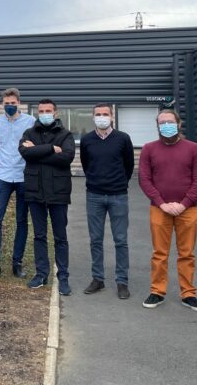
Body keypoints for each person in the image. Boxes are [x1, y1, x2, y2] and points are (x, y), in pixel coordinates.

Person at [139, 109, 197, 312]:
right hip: (159, 209)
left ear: (178, 124)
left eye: (170, 121)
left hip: (188, 210)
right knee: (159, 253)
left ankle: (188, 293)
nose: (166, 125)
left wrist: (184, 203)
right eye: (162, 122)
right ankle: (157, 291)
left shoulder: (194, 149)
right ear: (158, 126)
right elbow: (144, 179)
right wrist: (161, 203)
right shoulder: (149, 149)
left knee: (187, 253)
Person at [19, 99, 75, 296]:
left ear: (55, 112)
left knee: (60, 237)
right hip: (35, 192)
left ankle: (63, 277)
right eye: (41, 111)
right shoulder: (29, 133)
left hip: (58, 193)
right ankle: (41, 274)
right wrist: (52, 148)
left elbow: (67, 157)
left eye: (48, 110)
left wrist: (37, 151)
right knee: (39, 236)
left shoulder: (65, 134)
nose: (44, 113)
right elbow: (25, 152)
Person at [80, 103, 135, 299]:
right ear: (93, 117)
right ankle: (98, 279)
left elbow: (128, 166)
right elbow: (87, 165)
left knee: (120, 240)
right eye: (98, 114)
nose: (101, 117)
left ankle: (122, 281)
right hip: (94, 195)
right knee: (95, 239)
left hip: (118, 195)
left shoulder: (123, 139)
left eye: (105, 114)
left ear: (112, 116)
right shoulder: (87, 140)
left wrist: (118, 183)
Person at [0, 87, 35, 281]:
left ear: (18, 103)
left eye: (13, 103)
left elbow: (33, 147)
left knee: (22, 221)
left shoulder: (30, 122)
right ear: (1, 104)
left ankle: (17, 262)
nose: (10, 106)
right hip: (3, 176)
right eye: (6, 104)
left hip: (23, 176)